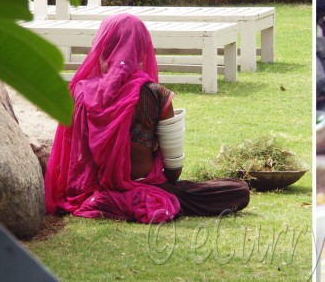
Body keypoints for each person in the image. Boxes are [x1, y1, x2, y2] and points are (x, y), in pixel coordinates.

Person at [45, 13, 250, 223]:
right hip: (147, 187)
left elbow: (71, 158)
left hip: (89, 190)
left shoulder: (80, 92)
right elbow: (173, 169)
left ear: (103, 46)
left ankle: (118, 197)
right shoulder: (156, 94)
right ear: (142, 47)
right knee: (238, 190)